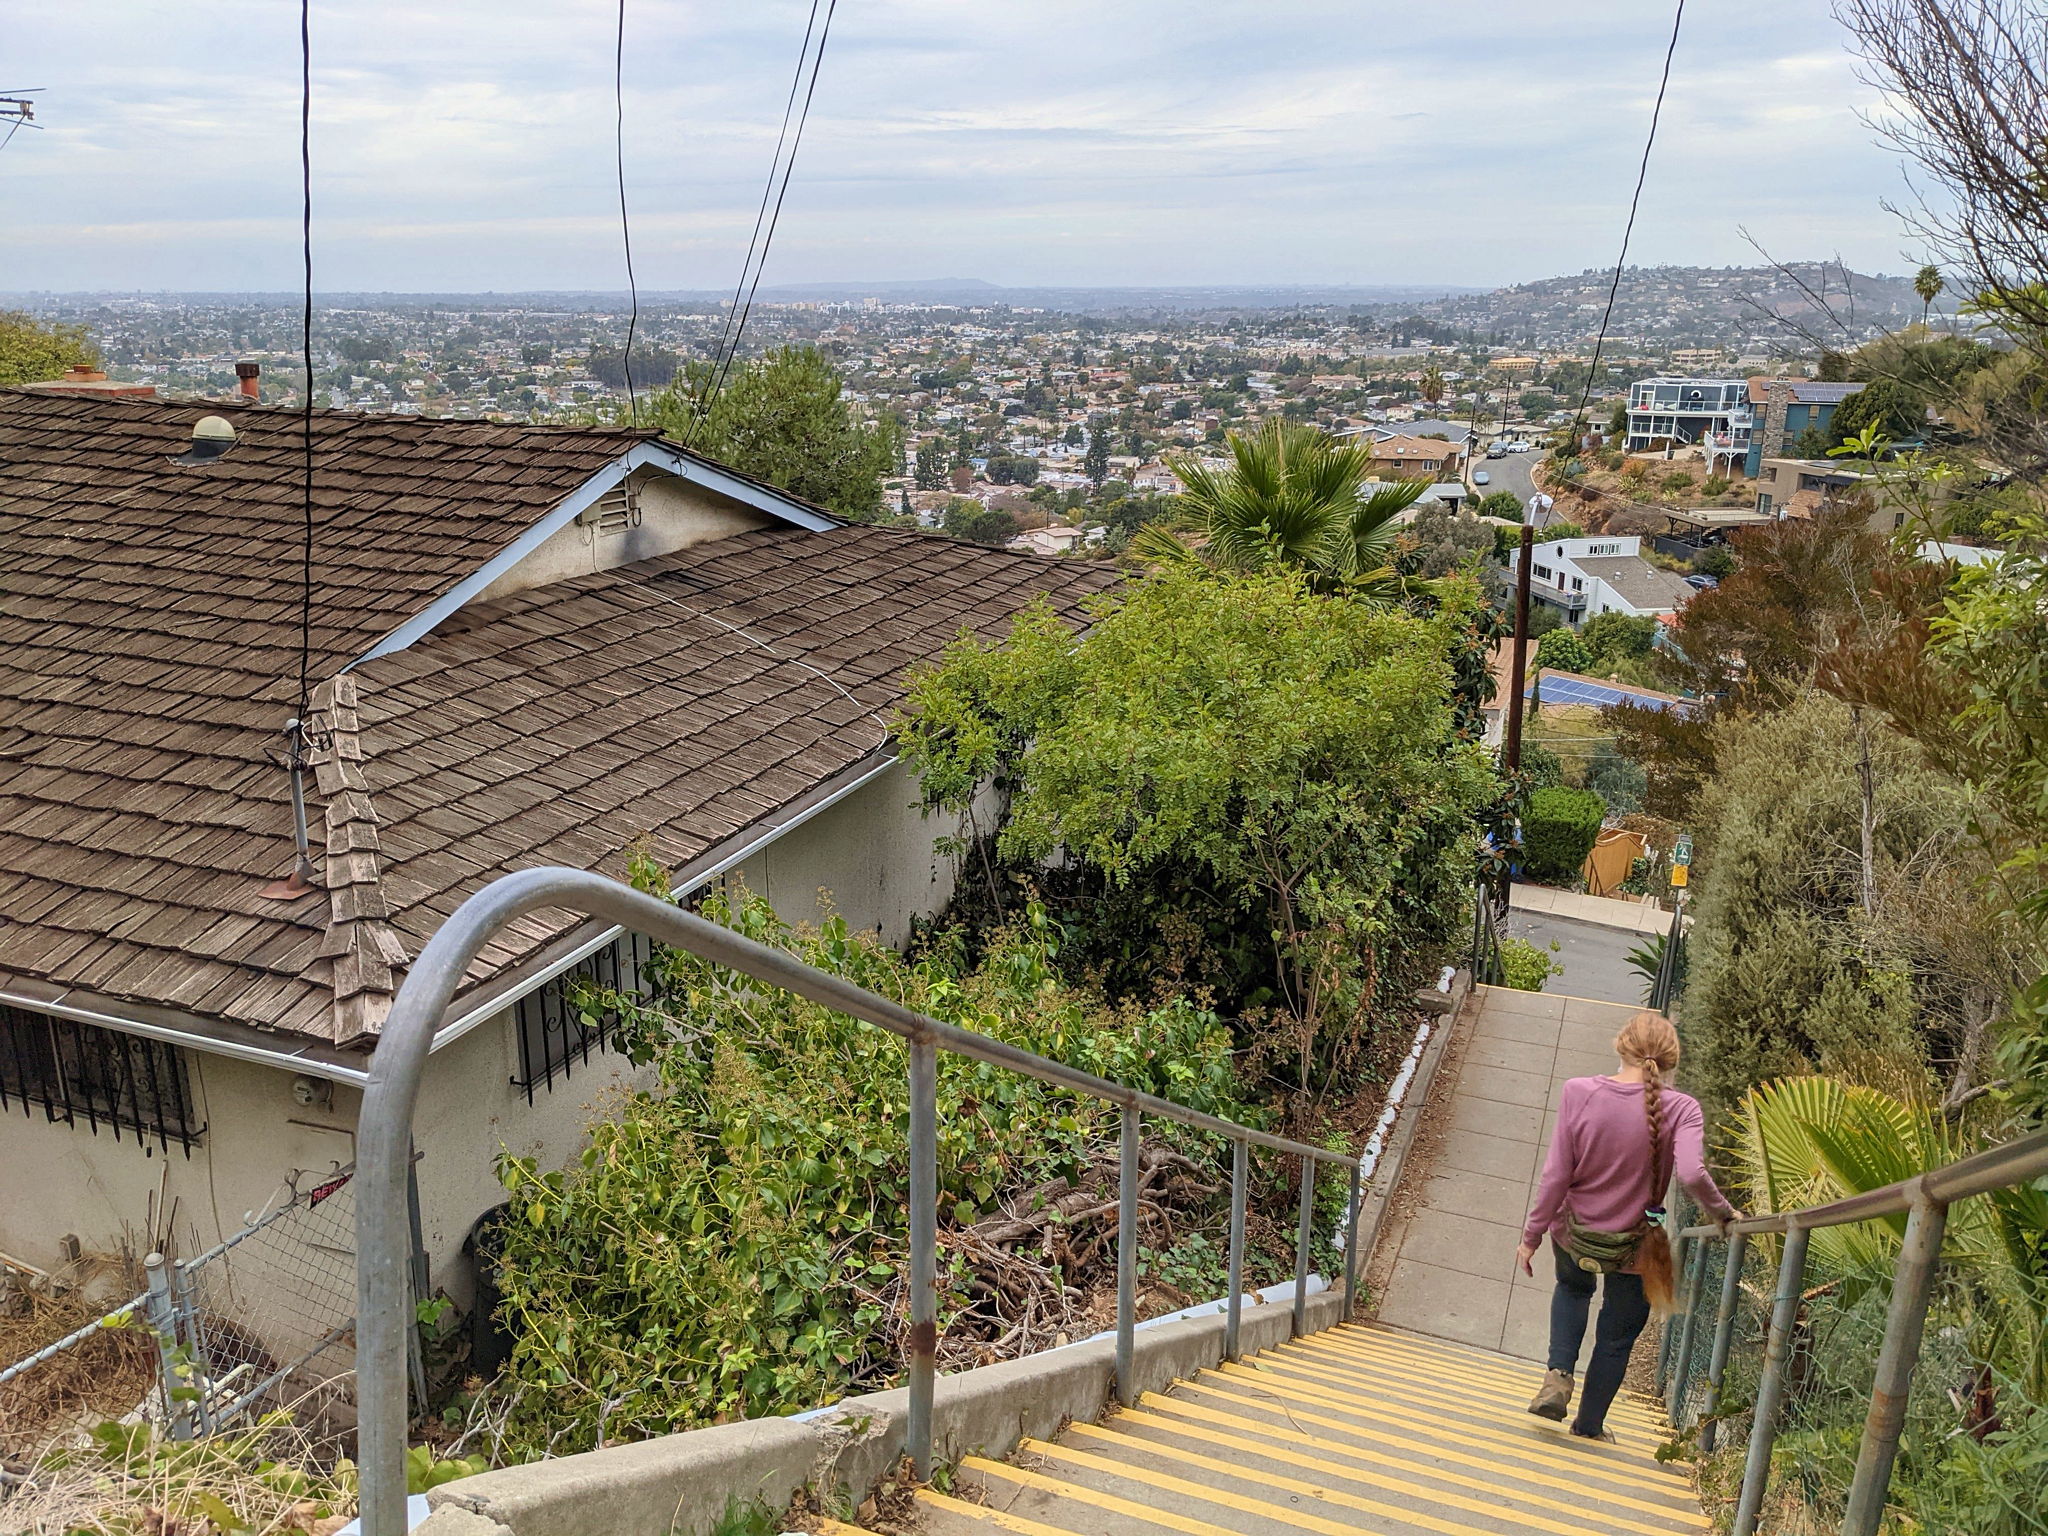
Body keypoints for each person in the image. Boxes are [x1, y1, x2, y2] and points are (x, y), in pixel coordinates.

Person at [1515, 1011, 1740, 1442]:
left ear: (1621, 1046)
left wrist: (1532, 1236)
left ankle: (1558, 1377)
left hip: (1575, 1230)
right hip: (1639, 1242)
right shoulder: (1683, 1108)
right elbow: (1692, 1174)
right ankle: (1589, 1425)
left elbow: (1556, 1174)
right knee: (1617, 1336)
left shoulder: (1578, 1092)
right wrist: (1723, 1214)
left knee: (1573, 1289)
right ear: (1671, 1060)